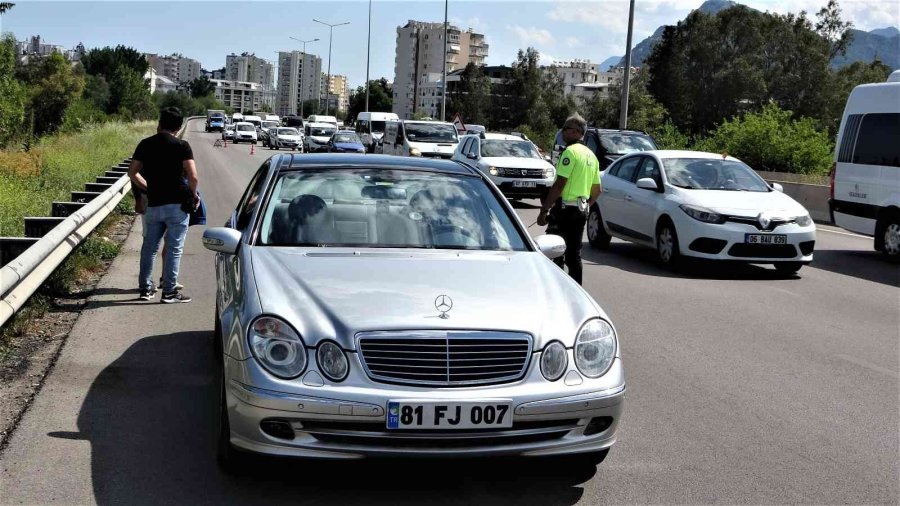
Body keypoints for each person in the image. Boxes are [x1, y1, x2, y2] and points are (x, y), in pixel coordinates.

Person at [128, 107, 198, 303]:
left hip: (154, 204)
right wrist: (193, 195)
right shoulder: (182, 146)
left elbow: (132, 172)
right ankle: (169, 291)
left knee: (149, 248)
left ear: (160, 123)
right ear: (178, 126)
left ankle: (145, 289)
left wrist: (149, 188)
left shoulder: (145, 144)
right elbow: (193, 176)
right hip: (177, 204)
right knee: (174, 248)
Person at [537, 114, 601, 285]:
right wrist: (586, 205)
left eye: (565, 129)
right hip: (580, 211)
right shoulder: (591, 156)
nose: (563, 133)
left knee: (555, 251)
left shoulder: (570, 153)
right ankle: (576, 293)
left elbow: (559, 185)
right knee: (574, 255)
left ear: (574, 131)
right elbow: (597, 190)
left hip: (564, 211)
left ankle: (557, 289)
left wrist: (544, 210)